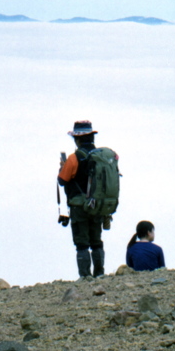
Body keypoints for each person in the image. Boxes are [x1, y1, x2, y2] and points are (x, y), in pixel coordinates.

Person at [57, 120, 116, 279]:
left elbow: (62, 180)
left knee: (82, 243)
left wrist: (62, 167)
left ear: (77, 139)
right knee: (96, 241)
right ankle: (99, 273)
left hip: (79, 207)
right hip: (97, 206)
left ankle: (85, 276)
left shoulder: (74, 158)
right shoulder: (101, 157)